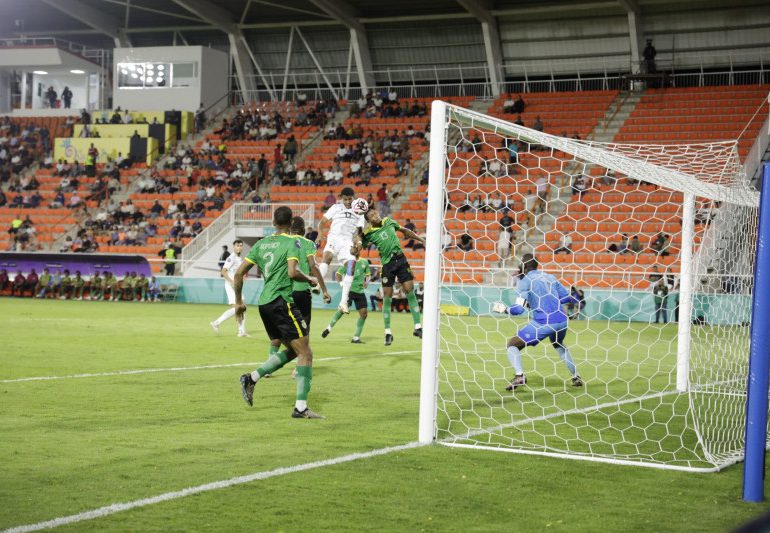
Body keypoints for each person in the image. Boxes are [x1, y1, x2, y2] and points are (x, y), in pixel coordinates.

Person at [234, 206, 324, 419]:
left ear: (273, 222)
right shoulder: (292, 242)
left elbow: (238, 274)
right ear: (291, 223)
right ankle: (300, 408)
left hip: (264, 304)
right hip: (282, 302)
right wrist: (310, 279)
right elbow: (293, 272)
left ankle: (252, 378)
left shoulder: (260, 244)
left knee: (294, 351)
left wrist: (238, 303)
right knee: (306, 353)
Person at [492, 253, 584, 391]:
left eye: (521, 263)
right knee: (558, 344)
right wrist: (540, 302)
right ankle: (576, 376)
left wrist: (503, 309)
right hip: (562, 320)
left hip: (544, 322)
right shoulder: (550, 277)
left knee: (513, 344)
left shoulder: (525, 281)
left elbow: (518, 310)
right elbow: (566, 298)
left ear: (525, 265)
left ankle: (519, 375)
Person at [363, 208, 426, 345]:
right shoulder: (368, 233)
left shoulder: (389, 221)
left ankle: (418, 327)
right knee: (387, 298)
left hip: (401, 260)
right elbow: (358, 246)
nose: (376, 214)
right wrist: (357, 239)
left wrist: (421, 239)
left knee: (410, 292)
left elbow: (405, 231)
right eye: (372, 215)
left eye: (375, 212)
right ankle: (388, 333)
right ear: (368, 221)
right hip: (387, 265)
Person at [316, 187, 365, 315]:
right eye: (345, 199)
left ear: (353, 198)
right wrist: (320, 234)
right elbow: (322, 222)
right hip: (333, 238)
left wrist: (359, 243)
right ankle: (317, 284)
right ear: (341, 198)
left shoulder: (359, 212)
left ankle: (343, 302)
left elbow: (359, 233)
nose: (348, 201)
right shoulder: (335, 207)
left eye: (350, 199)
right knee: (327, 257)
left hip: (347, 242)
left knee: (351, 265)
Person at [321, 248, 371, 343]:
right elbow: (338, 274)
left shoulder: (365, 262)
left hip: (360, 291)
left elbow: (368, 275)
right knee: (342, 310)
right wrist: (341, 284)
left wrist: (366, 282)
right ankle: (329, 328)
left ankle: (356, 338)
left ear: (359, 250)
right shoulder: (348, 263)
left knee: (364, 314)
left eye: (356, 248)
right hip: (349, 290)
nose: (355, 250)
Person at [210, 240, 249, 337]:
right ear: (233, 247)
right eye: (237, 245)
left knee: (242, 307)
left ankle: (241, 331)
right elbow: (223, 271)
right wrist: (231, 282)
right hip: (231, 286)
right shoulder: (231, 258)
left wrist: (242, 277)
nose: (239, 247)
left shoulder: (239, 258)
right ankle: (216, 323)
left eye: (241, 245)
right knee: (240, 307)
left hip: (236, 286)